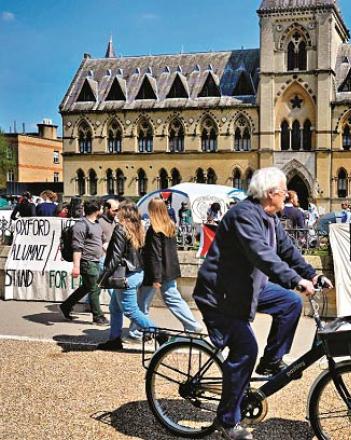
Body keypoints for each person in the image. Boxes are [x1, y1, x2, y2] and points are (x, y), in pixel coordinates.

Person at [193, 167, 332, 440]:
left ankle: (271, 361)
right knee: (245, 350)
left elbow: (287, 251)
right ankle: (226, 421)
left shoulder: (270, 217)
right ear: (270, 194)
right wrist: (295, 279)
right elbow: (262, 255)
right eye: (283, 192)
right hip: (221, 296)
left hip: (247, 288)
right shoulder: (244, 215)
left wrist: (311, 274)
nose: (287, 196)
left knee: (290, 302)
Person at [128, 199, 202, 340]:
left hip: (155, 272)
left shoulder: (154, 229)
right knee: (174, 299)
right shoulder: (170, 226)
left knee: (143, 302)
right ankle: (192, 325)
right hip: (169, 270)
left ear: (153, 210)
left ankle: (137, 331)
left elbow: (155, 255)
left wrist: (156, 278)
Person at [96, 202, 162, 351]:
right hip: (137, 273)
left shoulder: (121, 229)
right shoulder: (139, 227)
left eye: (119, 210)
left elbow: (115, 257)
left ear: (124, 213)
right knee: (115, 307)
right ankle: (114, 340)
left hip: (125, 276)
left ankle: (159, 334)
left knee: (131, 310)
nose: (117, 213)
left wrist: (103, 278)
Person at [59, 200, 108, 325]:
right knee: (95, 288)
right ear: (97, 210)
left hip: (95, 261)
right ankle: (98, 316)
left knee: (86, 287)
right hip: (87, 261)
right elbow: (77, 247)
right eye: (101, 208)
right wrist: (76, 267)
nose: (103, 210)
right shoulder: (81, 225)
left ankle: (66, 306)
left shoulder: (97, 224)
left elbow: (102, 242)